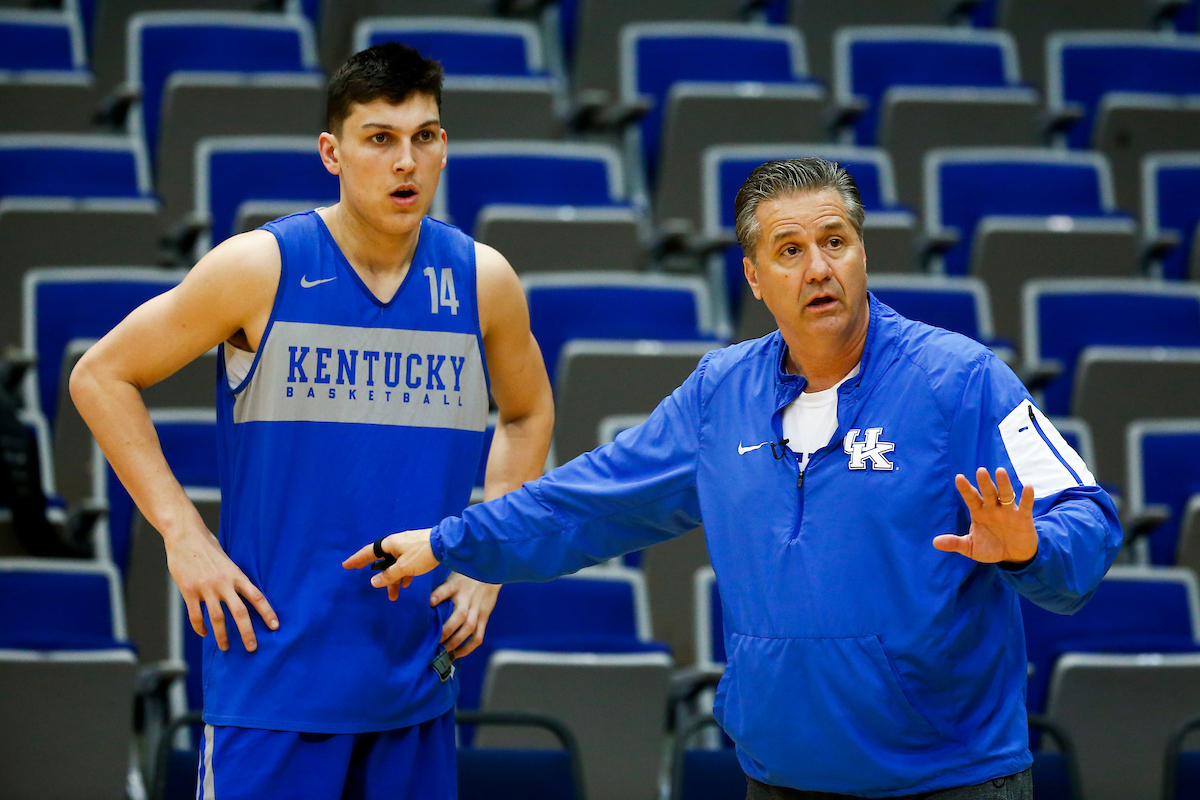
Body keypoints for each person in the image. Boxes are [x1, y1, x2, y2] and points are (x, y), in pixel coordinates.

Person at [347, 158, 1122, 799]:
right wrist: (453, 542)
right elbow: (590, 502)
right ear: (755, 277)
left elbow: (1087, 523)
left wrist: (1027, 550)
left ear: (862, 251)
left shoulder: (959, 380)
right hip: (781, 779)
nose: (818, 267)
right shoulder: (722, 394)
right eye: (790, 250)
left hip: (949, 782)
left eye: (835, 241)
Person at [70, 43, 553, 799]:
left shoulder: (481, 280)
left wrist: (484, 556)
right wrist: (182, 534)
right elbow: (101, 375)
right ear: (333, 152)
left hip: (415, 691)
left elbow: (528, 415)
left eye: (424, 137)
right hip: (271, 688)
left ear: (443, 148)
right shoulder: (260, 267)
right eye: (380, 139)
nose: (405, 162)